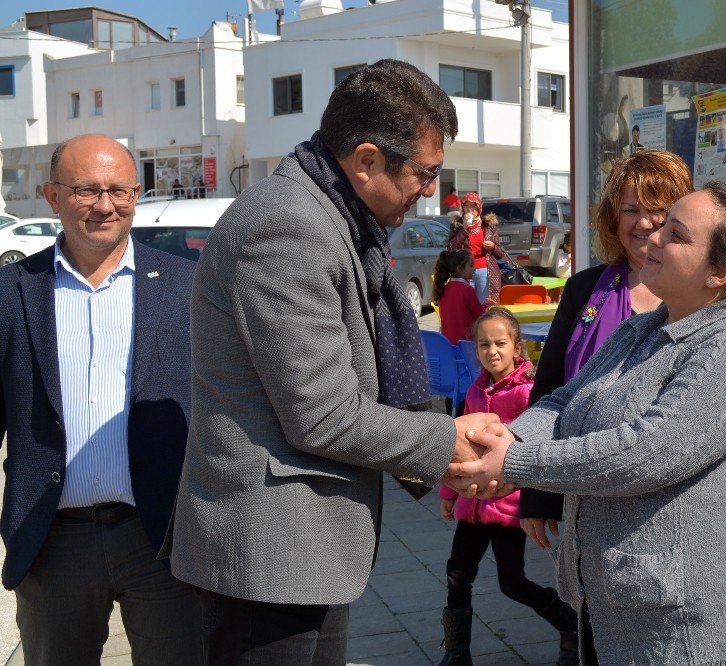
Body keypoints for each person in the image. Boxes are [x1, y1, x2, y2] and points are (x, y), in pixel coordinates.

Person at [162, 59, 499, 665]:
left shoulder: (333, 216)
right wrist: (445, 437)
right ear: (367, 160)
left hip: (303, 552)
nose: (431, 191)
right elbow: (323, 415)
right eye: (426, 173)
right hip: (270, 557)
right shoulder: (289, 227)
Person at [453, 181, 726, 663]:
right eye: (662, 225)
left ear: (721, 272)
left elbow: (646, 451)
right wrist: (512, 434)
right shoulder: (648, 325)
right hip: (632, 605)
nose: (655, 237)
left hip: (702, 626)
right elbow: (568, 398)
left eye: (677, 234)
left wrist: (515, 460)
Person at [0, 133, 202, 664]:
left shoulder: (186, 286)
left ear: (137, 194)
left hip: (160, 538)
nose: (106, 206)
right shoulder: (11, 290)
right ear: (52, 196)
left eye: (120, 191)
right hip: (52, 543)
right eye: (87, 190)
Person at [519, 149, 693, 551]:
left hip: (673, 494)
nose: (645, 223)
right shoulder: (585, 290)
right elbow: (549, 390)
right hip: (588, 492)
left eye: (660, 210)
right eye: (632, 209)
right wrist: (537, 492)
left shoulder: (699, 294)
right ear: (614, 217)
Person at [437, 307, 578, 666]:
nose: (492, 351)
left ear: (517, 347)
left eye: (500, 343)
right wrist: (449, 494)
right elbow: (461, 451)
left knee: (512, 583)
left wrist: (534, 499)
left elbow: (532, 448)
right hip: (472, 507)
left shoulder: (527, 393)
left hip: (507, 508)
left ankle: (569, 624)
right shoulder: (474, 389)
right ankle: (456, 653)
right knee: (457, 575)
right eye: (484, 344)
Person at [448, 191, 503, 303]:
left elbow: (500, 252)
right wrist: (464, 229)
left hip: (485, 270)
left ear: (479, 208)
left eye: (473, 207)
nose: (469, 210)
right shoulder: (457, 225)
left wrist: (492, 247)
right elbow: (451, 247)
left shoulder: (488, 226)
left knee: (484, 304)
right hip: (464, 270)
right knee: (466, 303)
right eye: (466, 206)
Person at [433, 248, 485, 345]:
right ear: (460, 268)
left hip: (448, 345)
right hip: (466, 344)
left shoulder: (444, 288)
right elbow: (480, 315)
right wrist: (487, 305)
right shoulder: (467, 289)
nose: (474, 269)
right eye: (471, 265)